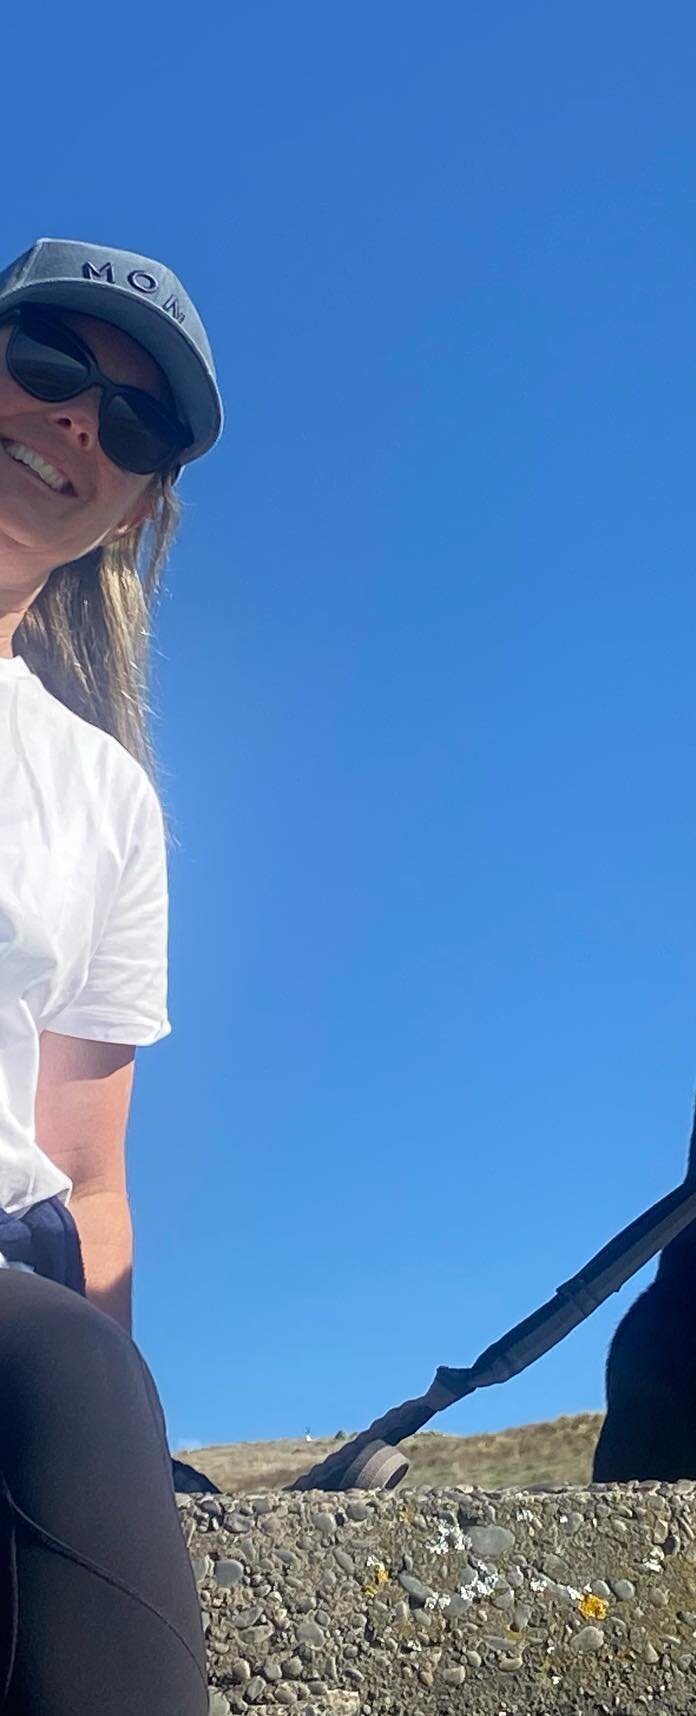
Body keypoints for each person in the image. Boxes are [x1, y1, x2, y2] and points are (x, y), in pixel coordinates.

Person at [0, 239, 222, 1714]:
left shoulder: (108, 797)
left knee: (79, 1382)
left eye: (134, 427)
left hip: (12, 1311)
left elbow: (88, 1175)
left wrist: (119, 1421)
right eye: (49, 364)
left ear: (141, 504)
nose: (82, 422)